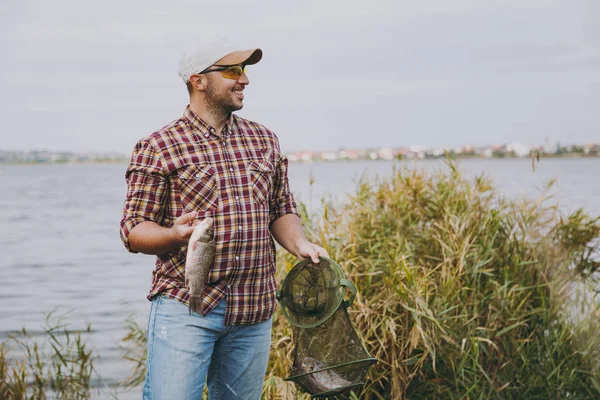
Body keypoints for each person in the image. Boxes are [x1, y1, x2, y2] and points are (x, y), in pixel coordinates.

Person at [119, 36, 328, 400]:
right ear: (198, 80)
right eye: (232, 70)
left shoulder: (264, 140)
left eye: (244, 71)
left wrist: (301, 244)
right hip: (185, 306)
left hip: (254, 310)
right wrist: (173, 234)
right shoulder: (159, 145)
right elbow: (134, 229)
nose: (244, 80)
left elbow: (281, 209)